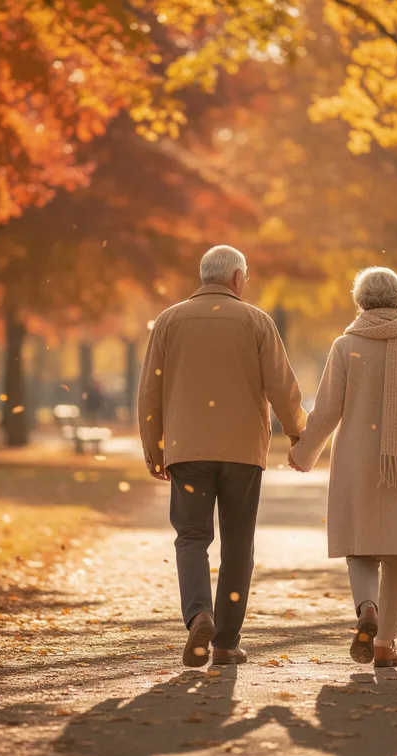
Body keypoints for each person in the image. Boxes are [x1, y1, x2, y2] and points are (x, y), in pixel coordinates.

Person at [137, 245, 306, 667]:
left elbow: (149, 392)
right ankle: (226, 642)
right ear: (236, 278)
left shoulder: (169, 321)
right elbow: (282, 388)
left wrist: (154, 447)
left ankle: (199, 613)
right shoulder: (257, 322)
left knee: (192, 537)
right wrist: (298, 433)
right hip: (242, 453)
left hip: (187, 450)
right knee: (237, 544)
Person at [288, 267, 397, 668]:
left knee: (360, 549)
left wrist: (304, 452)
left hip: (357, 463)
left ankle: (367, 608)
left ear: (360, 300)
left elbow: (327, 410)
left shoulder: (347, 345)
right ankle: (384, 645)